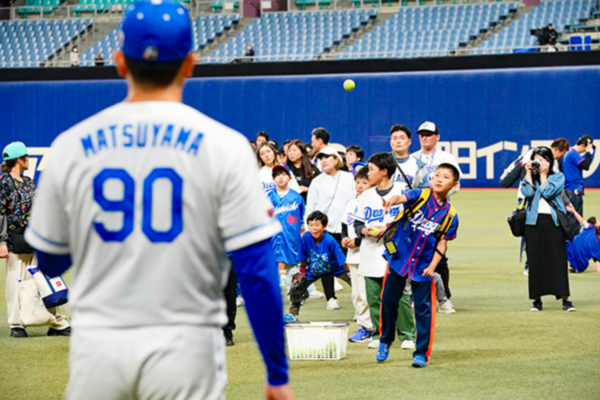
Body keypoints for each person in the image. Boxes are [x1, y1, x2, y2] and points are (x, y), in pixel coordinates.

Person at [23, 2, 293, 399]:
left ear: (119, 62)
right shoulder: (226, 147)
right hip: (187, 350)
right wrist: (277, 374)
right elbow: (256, 271)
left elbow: (50, 261)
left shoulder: (71, 146)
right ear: (190, 63)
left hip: (101, 350)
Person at [377, 163, 460, 367]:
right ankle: (385, 340)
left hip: (423, 266)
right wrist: (390, 201)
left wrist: (432, 266)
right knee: (388, 301)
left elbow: (442, 243)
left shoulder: (450, 215)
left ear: (454, 185)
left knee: (424, 309)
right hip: (399, 258)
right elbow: (401, 198)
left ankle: (421, 353)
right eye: (437, 175)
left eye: (445, 177)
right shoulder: (420, 195)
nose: (439, 179)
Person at [1, 142, 71, 338]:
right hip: (14, 238)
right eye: (26, 156)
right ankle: (16, 324)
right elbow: (0, 213)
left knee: (44, 279)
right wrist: (2, 241)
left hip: (34, 237)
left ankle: (56, 323)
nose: (28, 160)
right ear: (18, 160)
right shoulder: (3, 182)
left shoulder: (28, 182)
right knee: (16, 281)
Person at [354, 153, 415, 350]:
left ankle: (407, 335)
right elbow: (357, 223)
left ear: (384, 171)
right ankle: (379, 334)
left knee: (400, 296)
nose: (368, 173)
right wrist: (365, 231)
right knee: (373, 297)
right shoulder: (365, 196)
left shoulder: (401, 193)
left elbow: (410, 222)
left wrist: (388, 228)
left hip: (395, 253)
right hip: (370, 250)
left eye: (371, 169)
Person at [412, 121, 462, 301]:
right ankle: (417, 295)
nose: (425, 137)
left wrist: (438, 193)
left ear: (437, 137)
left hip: (439, 212)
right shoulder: (413, 158)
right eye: (422, 134)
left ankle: (444, 296)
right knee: (415, 253)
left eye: (429, 134)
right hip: (418, 212)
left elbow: (456, 185)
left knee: (439, 253)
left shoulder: (446, 158)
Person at [521, 147, 574, 313]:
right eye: (536, 159)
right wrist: (529, 174)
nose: (539, 163)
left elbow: (549, 192)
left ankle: (565, 299)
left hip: (553, 223)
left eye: (542, 159)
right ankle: (537, 300)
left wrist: (543, 175)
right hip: (533, 224)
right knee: (535, 262)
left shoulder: (558, 177)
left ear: (550, 162)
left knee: (558, 261)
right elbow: (526, 192)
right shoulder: (531, 178)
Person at [305, 146, 356, 310]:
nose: (324, 161)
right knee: (325, 264)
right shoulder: (316, 181)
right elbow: (310, 207)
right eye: (321, 158)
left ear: (336, 159)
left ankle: (359, 298)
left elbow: (355, 201)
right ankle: (331, 298)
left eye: (327, 157)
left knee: (351, 264)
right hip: (325, 230)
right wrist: (310, 229)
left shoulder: (349, 178)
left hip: (347, 228)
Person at [285, 211, 351, 320]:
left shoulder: (330, 240)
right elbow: (302, 256)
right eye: (311, 225)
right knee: (297, 287)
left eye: (317, 225)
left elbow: (342, 260)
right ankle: (292, 314)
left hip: (335, 268)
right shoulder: (306, 237)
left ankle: (363, 312)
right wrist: (302, 273)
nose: (314, 228)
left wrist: (349, 273)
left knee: (357, 285)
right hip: (315, 270)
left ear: (324, 226)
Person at [341, 167, 373, 343]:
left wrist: (358, 241)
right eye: (358, 182)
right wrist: (344, 238)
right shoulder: (351, 203)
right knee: (357, 295)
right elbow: (344, 225)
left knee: (367, 293)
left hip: (368, 253)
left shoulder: (374, 202)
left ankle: (371, 327)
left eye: (364, 182)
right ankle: (364, 326)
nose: (360, 186)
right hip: (353, 255)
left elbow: (375, 230)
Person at [268, 164, 305, 287]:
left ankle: (294, 294)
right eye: (277, 175)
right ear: (273, 179)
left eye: (284, 174)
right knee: (271, 270)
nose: (280, 177)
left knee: (293, 269)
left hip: (291, 237)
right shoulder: (269, 197)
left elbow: (302, 220)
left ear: (290, 177)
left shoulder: (297, 198)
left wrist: (302, 234)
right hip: (273, 238)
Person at [562, 135, 595, 233]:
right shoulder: (573, 153)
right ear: (583, 145)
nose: (586, 151)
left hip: (569, 190)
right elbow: (586, 166)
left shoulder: (569, 152)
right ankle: (571, 242)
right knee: (574, 221)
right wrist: (588, 153)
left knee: (570, 219)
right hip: (573, 190)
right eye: (587, 148)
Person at [388, 124, 429, 192]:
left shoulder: (419, 165)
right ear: (390, 142)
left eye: (402, 138)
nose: (398, 141)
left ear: (409, 142)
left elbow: (425, 190)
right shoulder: (380, 161)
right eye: (395, 139)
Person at [565, 204, 600, 274]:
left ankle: (571, 265)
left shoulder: (589, 228)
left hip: (570, 245)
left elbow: (581, 221)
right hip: (580, 260)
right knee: (583, 262)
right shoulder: (597, 245)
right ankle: (573, 265)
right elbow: (597, 263)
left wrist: (574, 211)